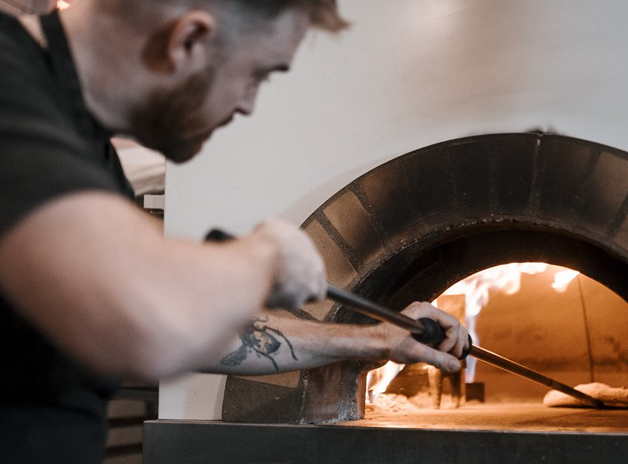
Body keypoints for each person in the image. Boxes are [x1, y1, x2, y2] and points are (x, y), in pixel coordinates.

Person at [0, 1, 470, 462]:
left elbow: (195, 321)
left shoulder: (83, 145)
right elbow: (150, 327)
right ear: (188, 40)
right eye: (258, 75)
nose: (248, 104)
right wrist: (263, 256)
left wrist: (378, 339)